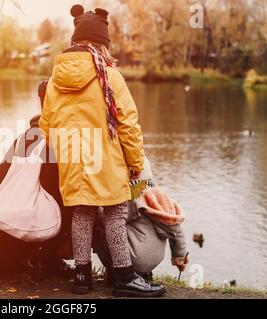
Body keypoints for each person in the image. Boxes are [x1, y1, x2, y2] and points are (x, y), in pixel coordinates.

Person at [38, 4, 165, 297]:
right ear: (102, 43)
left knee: (81, 213)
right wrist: (134, 161)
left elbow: (46, 125)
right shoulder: (110, 76)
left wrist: (67, 153)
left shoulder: (56, 80)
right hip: (106, 160)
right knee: (115, 213)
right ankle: (123, 276)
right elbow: (128, 125)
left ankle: (82, 277)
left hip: (72, 161)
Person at [0, 82, 73, 280]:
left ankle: (35, 258)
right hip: (9, 244)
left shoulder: (26, 138)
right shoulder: (52, 140)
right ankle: (48, 260)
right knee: (69, 202)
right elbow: (56, 200)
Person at [93, 157, 190, 284]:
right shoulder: (158, 199)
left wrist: (98, 208)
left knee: (98, 225)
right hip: (155, 259)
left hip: (133, 259)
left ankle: (116, 272)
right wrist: (179, 257)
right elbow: (175, 230)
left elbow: (110, 222)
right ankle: (144, 274)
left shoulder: (131, 198)